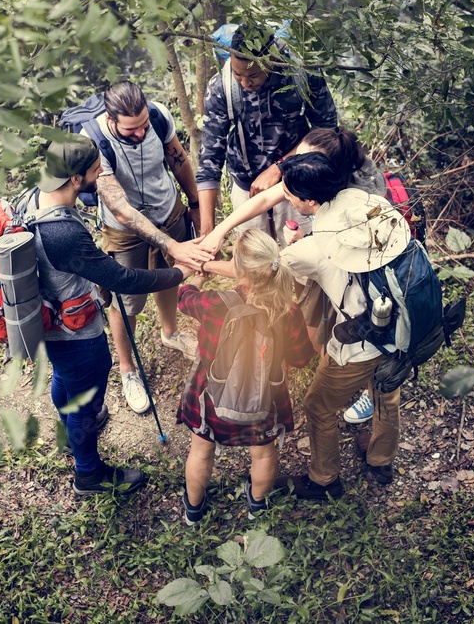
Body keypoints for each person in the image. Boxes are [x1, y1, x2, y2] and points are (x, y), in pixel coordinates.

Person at [204, 153, 410, 499]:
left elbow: (260, 272)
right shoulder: (366, 202)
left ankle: (324, 480)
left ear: (309, 200)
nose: (285, 197)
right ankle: (380, 459)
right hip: (403, 326)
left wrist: (207, 266)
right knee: (386, 390)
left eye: (289, 193)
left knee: (318, 405)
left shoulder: (316, 247)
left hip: (361, 342)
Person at [28, 134, 197, 496]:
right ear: (76, 180)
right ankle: (88, 473)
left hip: (48, 324)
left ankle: (69, 425)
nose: (101, 172)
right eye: (94, 169)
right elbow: (123, 279)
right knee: (86, 404)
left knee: (67, 381)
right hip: (77, 335)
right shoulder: (63, 234)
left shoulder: (30, 199)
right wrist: (180, 272)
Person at [200, 127, 386, 424]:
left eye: (304, 159)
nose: (295, 165)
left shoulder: (353, 203)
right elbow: (265, 200)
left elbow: (265, 270)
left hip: (354, 268)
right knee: (316, 322)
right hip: (317, 251)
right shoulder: (312, 178)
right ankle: (328, 359)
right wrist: (220, 231)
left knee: (359, 324)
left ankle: (372, 386)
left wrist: (207, 266)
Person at [84, 81, 214, 414]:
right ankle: (128, 371)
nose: (141, 133)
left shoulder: (157, 115)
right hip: (125, 232)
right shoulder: (94, 143)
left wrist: (196, 202)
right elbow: (120, 208)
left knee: (169, 277)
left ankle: (170, 333)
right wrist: (173, 244)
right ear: (111, 118)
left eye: (144, 125)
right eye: (131, 130)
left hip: (168, 210)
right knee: (126, 302)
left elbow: (179, 159)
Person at [176, 230, 314, 524]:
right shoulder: (287, 311)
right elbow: (302, 359)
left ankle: (193, 511)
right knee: (263, 454)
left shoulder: (214, 304)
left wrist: (198, 278)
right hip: (265, 397)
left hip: (210, 394)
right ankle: (256, 508)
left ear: (239, 273)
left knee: (201, 450)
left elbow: (183, 299)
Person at [195, 22, 339, 241]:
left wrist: (280, 167)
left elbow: (327, 132)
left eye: (253, 75)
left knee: (301, 257)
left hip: (297, 181)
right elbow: (210, 159)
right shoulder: (221, 87)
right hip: (245, 183)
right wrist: (208, 231)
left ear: (271, 60)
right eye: (237, 74)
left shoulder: (301, 75)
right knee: (255, 262)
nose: (245, 82)